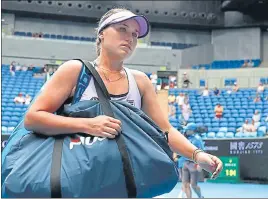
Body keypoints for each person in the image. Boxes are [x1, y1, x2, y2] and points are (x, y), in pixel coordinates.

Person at [24, 8, 222, 185]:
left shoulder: (140, 81)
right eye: (122, 29)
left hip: (123, 182)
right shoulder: (75, 71)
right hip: (79, 180)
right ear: (101, 34)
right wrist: (87, 124)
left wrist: (198, 155)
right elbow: (33, 118)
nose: (130, 38)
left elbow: (165, 131)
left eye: (135, 34)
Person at [180, 123, 205, 198]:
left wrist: (200, 164)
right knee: (185, 184)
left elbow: (202, 152)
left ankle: (200, 196)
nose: (186, 131)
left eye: (187, 129)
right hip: (185, 163)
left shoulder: (197, 139)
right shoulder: (186, 138)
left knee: (193, 185)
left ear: (192, 130)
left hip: (193, 164)